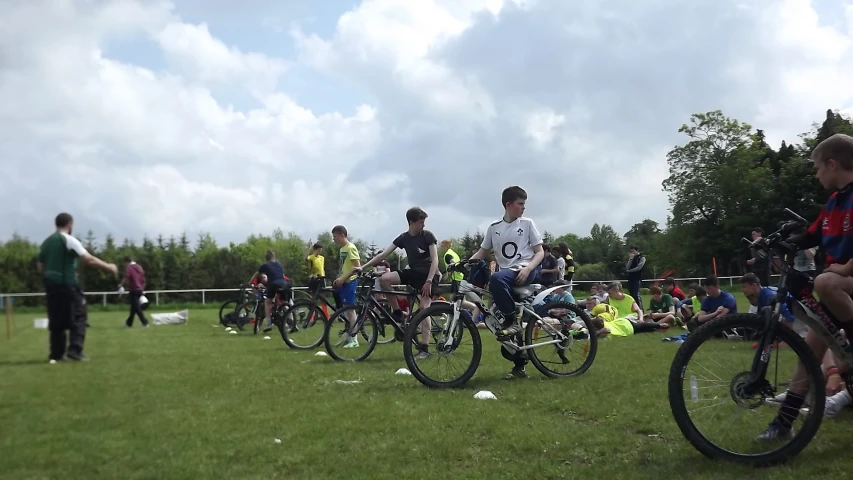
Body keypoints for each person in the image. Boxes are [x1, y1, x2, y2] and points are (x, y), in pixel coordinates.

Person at [760, 133, 853, 440]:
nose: (816, 174)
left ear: (832, 164)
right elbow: (811, 236)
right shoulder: (834, 202)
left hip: (841, 284)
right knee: (808, 356)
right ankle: (783, 425)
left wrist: (847, 267)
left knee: (825, 280)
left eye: (817, 168)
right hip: (838, 290)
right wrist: (776, 243)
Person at [468, 185, 544, 380]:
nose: (524, 208)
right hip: (507, 275)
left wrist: (528, 268)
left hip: (525, 270)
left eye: (524, 204)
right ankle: (520, 365)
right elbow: (482, 252)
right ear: (508, 205)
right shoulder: (494, 228)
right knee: (498, 322)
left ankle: (513, 322)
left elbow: (540, 252)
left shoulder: (527, 223)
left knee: (496, 279)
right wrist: (465, 263)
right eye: (520, 204)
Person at [356, 207, 440, 359]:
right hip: (413, 273)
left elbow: (435, 259)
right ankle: (397, 313)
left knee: (423, 308)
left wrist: (428, 281)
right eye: (421, 222)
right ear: (411, 222)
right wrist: (363, 266)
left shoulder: (428, 236)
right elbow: (384, 254)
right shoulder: (403, 238)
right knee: (384, 279)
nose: (423, 225)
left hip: (430, 275)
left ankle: (425, 349)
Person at [37, 213, 118, 363]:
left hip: (51, 285)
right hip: (67, 285)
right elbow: (89, 260)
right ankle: (75, 350)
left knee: (56, 319)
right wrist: (109, 267)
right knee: (79, 315)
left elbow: (40, 267)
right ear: (69, 224)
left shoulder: (46, 243)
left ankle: (56, 354)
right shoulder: (69, 240)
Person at [331, 225, 361, 348]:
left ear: (342, 235)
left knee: (350, 310)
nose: (334, 239)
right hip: (343, 281)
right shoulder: (342, 249)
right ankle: (348, 336)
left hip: (350, 282)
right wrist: (339, 278)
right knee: (345, 310)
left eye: (335, 236)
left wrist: (343, 279)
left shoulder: (351, 248)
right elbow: (343, 266)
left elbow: (357, 267)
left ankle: (355, 339)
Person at [249, 250, 290, 334]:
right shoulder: (279, 264)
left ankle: (269, 323)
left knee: (268, 302)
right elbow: (282, 275)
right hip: (284, 284)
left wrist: (250, 283)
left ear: (266, 258)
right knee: (284, 303)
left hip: (273, 284)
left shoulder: (265, 265)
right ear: (274, 257)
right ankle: (291, 321)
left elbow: (256, 274)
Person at [121, 256, 149, 328]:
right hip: (140, 290)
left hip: (133, 290)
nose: (124, 265)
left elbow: (126, 277)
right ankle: (128, 323)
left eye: (124, 263)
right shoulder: (139, 267)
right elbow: (144, 279)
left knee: (137, 308)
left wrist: (120, 285)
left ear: (126, 261)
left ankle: (145, 322)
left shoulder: (129, 268)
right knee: (133, 308)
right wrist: (142, 288)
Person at [625, 246, 646, 310]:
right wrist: (630, 259)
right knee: (631, 295)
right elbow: (627, 267)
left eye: (633, 251)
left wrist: (629, 271)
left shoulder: (642, 258)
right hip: (631, 279)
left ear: (637, 250)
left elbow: (639, 268)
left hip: (637, 278)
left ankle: (640, 309)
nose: (632, 253)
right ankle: (634, 309)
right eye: (631, 251)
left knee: (636, 294)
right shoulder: (632, 259)